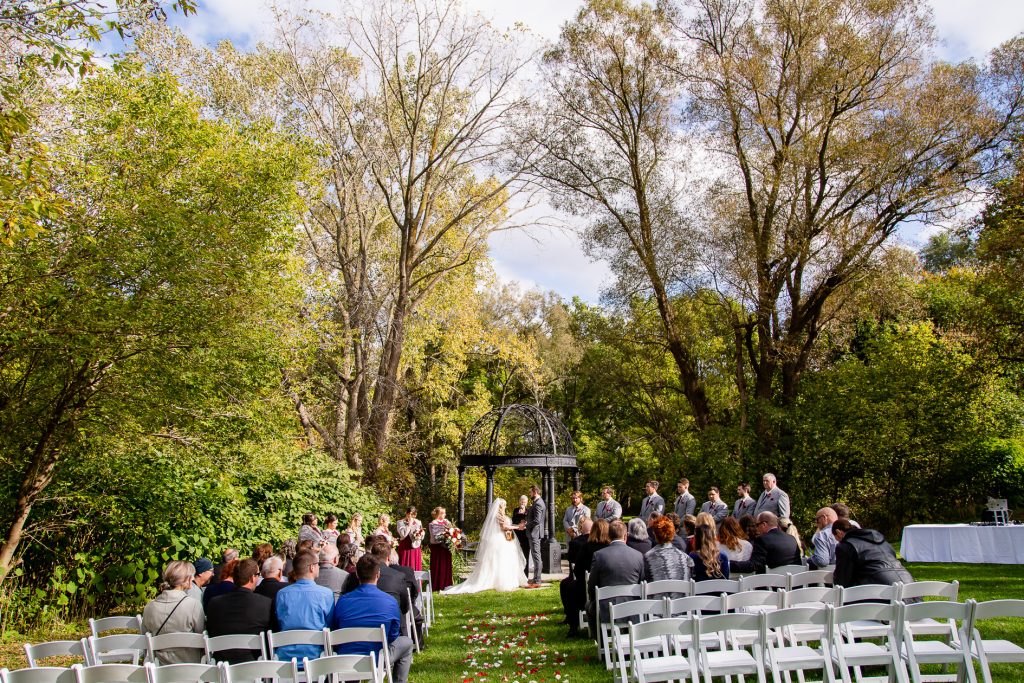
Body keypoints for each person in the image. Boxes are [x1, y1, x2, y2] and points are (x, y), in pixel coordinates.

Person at [331, 555, 415, 683]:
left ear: (357, 575)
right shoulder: (390, 602)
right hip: (377, 658)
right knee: (407, 643)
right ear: (378, 575)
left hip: (346, 658)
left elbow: (336, 629)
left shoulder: (343, 601)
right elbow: (393, 635)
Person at [443, 498, 526, 594]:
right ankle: (499, 581)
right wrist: (517, 527)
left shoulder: (502, 515)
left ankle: (508, 580)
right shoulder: (498, 515)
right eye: (504, 505)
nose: (505, 506)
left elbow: (507, 525)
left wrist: (517, 525)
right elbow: (504, 527)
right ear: (500, 506)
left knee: (505, 559)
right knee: (499, 560)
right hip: (499, 540)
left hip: (507, 538)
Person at [205, 559, 272, 663]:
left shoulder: (214, 603)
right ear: (252, 577)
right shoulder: (265, 603)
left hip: (222, 664)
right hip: (254, 664)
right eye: (258, 575)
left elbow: (210, 631)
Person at [274, 551, 333, 663]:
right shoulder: (326, 594)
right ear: (312, 567)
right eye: (318, 564)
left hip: (285, 658)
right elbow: (329, 627)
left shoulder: (282, 594)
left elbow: (280, 623)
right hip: (316, 658)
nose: (319, 567)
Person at [586, 520, 644, 634]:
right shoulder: (638, 556)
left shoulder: (599, 555)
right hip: (633, 608)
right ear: (626, 536)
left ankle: (600, 639)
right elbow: (642, 582)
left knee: (589, 606)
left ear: (608, 536)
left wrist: (594, 600)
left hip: (607, 609)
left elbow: (592, 586)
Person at [142, 561, 205, 664]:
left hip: (160, 668)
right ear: (186, 580)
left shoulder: (149, 607)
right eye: (192, 576)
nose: (193, 578)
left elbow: (145, 637)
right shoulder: (194, 605)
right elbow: (201, 638)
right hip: (191, 666)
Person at [831, 520, 914, 588]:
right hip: (907, 582)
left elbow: (841, 581)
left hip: (879, 589)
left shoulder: (846, 546)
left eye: (836, 538)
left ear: (839, 532)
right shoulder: (884, 542)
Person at [730, 512, 802, 574]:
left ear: (764, 524)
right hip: (794, 583)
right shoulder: (792, 538)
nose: (756, 528)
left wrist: (728, 564)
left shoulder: (762, 540)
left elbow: (754, 566)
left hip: (770, 584)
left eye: (757, 525)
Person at [561, 517, 593, 637]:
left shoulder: (575, 543)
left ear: (581, 529)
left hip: (581, 582)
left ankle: (571, 622)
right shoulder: (601, 543)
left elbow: (573, 565)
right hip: (599, 584)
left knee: (566, 586)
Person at [643, 516, 694, 589]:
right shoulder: (686, 557)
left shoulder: (647, 557)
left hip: (657, 594)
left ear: (655, 534)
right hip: (681, 594)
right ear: (673, 533)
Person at [428, 507, 454, 590]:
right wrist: (445, 535)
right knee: (438, 566)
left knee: (446, 565)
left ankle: (447, 584)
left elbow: (452, 530)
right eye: (443, 513)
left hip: (446, 548)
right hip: (437, 548)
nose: (445, 515)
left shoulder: (447, 521)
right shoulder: (433, 523)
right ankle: (438, 585)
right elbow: (436, 536)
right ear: (439, 514)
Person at [525, 485, 546, 585]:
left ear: (535, 492)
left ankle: (537, 579)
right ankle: (535, 578)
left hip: (535, 533)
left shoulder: (538, 504)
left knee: (536, 556)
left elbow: (537, 520)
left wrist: (526, 525)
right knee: (535, 556)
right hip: (534, 532)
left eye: (530, 492)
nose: (530, 494)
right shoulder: (536, 502)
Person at [396, 506, 425, 571]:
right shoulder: (400, 522)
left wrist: (420, 535)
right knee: (404, 565)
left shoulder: (418, 522)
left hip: (415, 547)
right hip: (405, 547)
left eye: (413, 515)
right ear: (406, 513)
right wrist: (409, 525)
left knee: (415, 565)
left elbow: (421, 532)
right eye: (410, 514)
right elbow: (403, 535)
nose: (411, 516)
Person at [511, 495, 531, 575]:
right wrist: (518, 524)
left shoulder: (529, 511)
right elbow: (513, 520)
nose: (523, 503)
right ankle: (517, 574)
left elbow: (529, 521)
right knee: (516, 554)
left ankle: (525, 574)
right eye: (521, 501)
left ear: (527, 503)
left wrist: (525, 522)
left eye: (524, 502)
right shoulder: (515, 510)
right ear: (519, 502)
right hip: (517, 534)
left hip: (526, 536)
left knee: (526, 555)